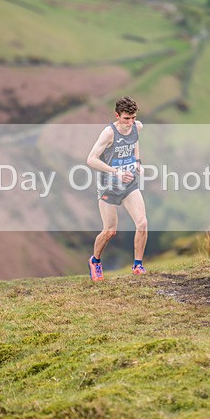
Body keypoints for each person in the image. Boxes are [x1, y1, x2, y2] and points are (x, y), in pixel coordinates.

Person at [85, 96, 148, 281]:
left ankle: (138, 265)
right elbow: (91, 159)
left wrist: (137, 162)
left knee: (142, 223)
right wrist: (116, 172)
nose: (130, 122)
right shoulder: (109, 133)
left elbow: (135, 142)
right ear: (117, 115)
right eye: (126, 118)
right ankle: (95, 260)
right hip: (109, 186)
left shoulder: (137, 127)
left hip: (129, 184)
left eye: (133, 117)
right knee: (110, 231)